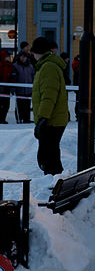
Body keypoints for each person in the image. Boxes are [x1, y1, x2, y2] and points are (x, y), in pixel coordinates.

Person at [31, 36, 69, 175]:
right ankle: (56, 183)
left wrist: (42, 118)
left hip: (51, 120)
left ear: (38, 52)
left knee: (48, 158)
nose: (32, 55)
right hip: (53, 119)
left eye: (33, 52)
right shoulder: (46, 66)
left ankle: (56, 185)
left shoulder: (47, 67)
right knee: (49, 156)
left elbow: (48, 96)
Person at [11, 48, 34, 123]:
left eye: (24, 57)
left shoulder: (30, 67)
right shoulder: (15, 66)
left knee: (27, 105)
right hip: (20, 90)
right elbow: (13, 78)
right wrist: (13, 88)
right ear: (19, 57)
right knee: (20, 105)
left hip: (28, 90)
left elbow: (33, 76)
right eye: (22, 57)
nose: (23, 58)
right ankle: (20, 118)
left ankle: (26, 119)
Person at [0, 49, 13, 123]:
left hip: (6, 88)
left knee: (6, 105)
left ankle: (3, 118)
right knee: (2, 105)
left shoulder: (10, 65)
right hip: (2, 88)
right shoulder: (2, 65)